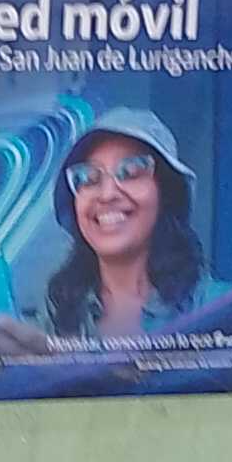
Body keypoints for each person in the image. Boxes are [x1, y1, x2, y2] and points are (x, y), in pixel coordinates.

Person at [44, 107, 210, 342]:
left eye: (131, 172)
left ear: (166, 193)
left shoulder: (220, 308)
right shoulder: (55, 314)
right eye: (88, 178)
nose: (107, 194)